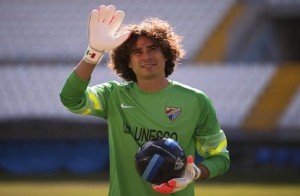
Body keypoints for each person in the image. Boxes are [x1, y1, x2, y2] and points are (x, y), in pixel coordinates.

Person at [60, 4, 230, 196]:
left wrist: (195, 172)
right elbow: (71, 99)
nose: (146, 56)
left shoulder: (196, 101)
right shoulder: (113, 95)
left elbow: (220, 158)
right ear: (128, 63)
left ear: (166, 54)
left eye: (152, 49)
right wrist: (94, 52)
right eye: (137, 52)